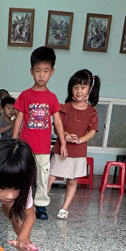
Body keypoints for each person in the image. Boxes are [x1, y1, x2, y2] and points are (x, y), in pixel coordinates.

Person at [12, 47, 66, 220]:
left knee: (42, 177)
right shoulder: (25, 95)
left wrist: (63, 143)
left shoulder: (52, 97)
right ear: (31, 71)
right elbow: (19, 119)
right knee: (23, 176)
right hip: (25, 146)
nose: (41, 75)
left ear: (52, 72)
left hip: (43, 148)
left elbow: (57, 121)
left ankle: (41, 205)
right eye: (38, 71)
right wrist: (13, 141)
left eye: (45, 71)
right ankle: (21, 203)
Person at [48, 69, 100, 219]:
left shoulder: (91, 112)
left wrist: (80, 140)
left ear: (90, 89)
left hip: (79, 152)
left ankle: (64, 208)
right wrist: (65, 135)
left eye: (83, 87)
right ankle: (39, 203)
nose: (79, 91)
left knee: (72, 180)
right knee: (50, 177)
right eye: (75, 87)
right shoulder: (64, 108)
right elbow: (57, 128)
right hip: (61, 150)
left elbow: (92, 131)